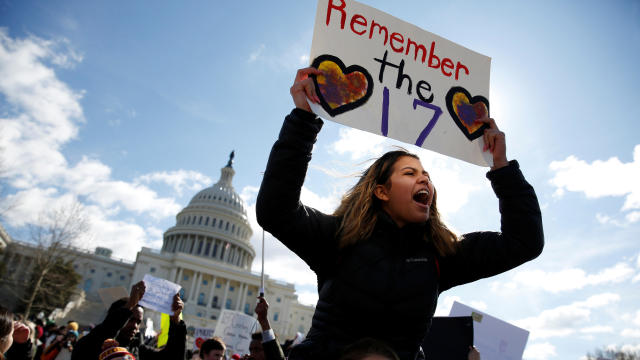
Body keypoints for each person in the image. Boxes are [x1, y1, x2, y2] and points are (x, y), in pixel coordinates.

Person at [256, 67, 544, 360]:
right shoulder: (337, 237)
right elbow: (275, 212)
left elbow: (524, 243)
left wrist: (502, 168)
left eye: (427, 176)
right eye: (410, 173)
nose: (425, 181)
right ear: (381, 191)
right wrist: (304, 120)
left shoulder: (442, 255)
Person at [71, 281, 186, 360]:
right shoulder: (93, 343)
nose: (135, 326)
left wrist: (176, 322)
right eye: (130, 319)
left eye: (138, 322)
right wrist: (130, 305)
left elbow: (173, 357)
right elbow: (105, 330)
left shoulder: (137, 350)